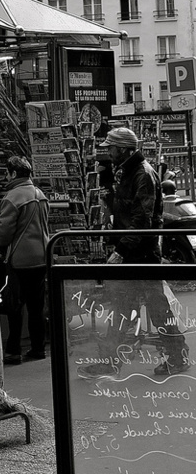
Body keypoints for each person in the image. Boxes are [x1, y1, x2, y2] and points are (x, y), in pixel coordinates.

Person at [79, 127, 190, 378]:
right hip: (135, 251)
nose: (108, 152)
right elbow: (127, 214)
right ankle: (112, 361)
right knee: (124, 309)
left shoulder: (143, 174)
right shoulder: (127, 172)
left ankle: (176, 356)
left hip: (141, 254)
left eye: (112, 148)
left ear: (124, 149)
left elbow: (142, 219)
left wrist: (121, 249)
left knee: (155, 310)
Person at [0, 156, 49, 365]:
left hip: (20, 258)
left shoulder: (12, 197)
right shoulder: (40, 194)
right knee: (37, 306)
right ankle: (38, 348)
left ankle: (14, 350)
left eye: (7, 173)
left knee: (15, 305)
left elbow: (4, 230)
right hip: (41, 256)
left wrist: (0, 247)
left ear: (14, 174)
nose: (6, 177)